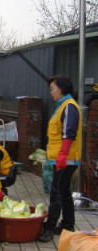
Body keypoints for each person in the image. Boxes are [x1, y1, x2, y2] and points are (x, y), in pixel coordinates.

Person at [39, 75, 82, 242]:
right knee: (64, 192)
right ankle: (68, 224)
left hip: (65, 159)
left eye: (53, 89)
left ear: (62, 89)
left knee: (56, 193)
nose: (51, 93)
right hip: (61, 158)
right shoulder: (63, 106)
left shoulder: (69, 107)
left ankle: (49, 227)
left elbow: (69, 133)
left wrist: (62, 156)